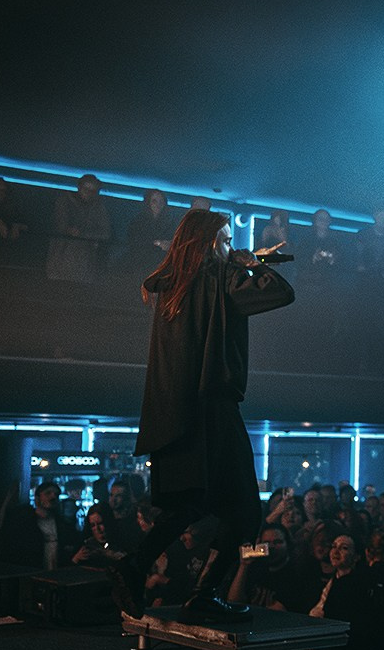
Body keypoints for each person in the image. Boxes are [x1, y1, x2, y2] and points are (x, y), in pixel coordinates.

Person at [105, 210, 294, 621]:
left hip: (176, 408)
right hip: (212, 406)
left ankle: (141, 567)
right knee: (243, 510)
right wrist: (251, 264)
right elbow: (280, 293)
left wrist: (243, 261)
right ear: (208, 243)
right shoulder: (218, 279)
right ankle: (198, 591)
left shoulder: (176, 282)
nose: (230, 247)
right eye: (225, 240)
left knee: (190, 502)